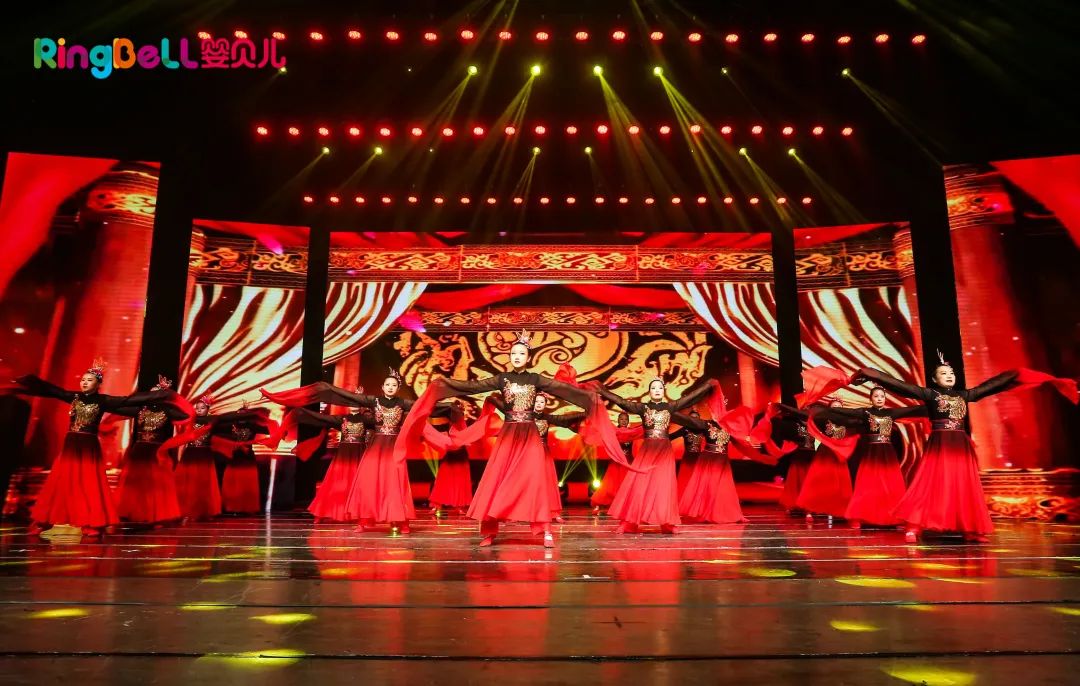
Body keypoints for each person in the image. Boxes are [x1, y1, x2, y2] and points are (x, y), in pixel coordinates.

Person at [395, 330, 627, 548]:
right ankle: (490, 530)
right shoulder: (502, 378)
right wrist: (444, 385)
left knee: (535, 480)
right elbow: (473, 386)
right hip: (509, 434)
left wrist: (590, 398)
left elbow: (562, 389)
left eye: (521, 353)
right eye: (514, 353)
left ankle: (545, 529)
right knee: (498, 478)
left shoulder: (535, 379)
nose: (517, 356)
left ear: (528, 357)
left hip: (529, 434)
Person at [853, 352, 1077, 542]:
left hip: (960, 444)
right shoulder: (930, 394)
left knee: (963, 484)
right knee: (932, 482)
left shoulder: (964, 395)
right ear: (934, 379)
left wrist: (1016, 374)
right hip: (940, 443)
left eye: (951, 373)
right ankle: (915, 526)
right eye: (943, 373)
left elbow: (991, 386)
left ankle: (970, 528)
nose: (949, 375)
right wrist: (869, 373)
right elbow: (900, 386)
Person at [4, 360, 178, 537]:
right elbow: (53, 391)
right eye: (83, 379)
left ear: (98, 384)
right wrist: (32, 380)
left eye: (89, 380)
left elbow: (128, 400)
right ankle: (44, 520)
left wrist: (159, 395)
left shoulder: (103, 400)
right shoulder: (75, 397)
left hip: (88, 445)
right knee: (62, 479)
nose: (85, 382)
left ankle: (92, 522)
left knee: (88, 482)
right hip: (71, 444)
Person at [597, 377, 715, 534]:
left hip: (664, 450)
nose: (657, 390)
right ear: (649, 391)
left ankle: (667, 523)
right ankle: (629, 522)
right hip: (648, 449)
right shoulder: (643, 407)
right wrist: (602, 391)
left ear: (664, 390)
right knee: (639, 484)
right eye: (653, 388)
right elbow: (622, 402)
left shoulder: (670, 407)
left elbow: (689, 398)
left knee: (664, 485)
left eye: (660, 387)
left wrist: (707, 385)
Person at [809, 386, 925, 529]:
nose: (879, 399)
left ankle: (894, 517)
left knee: (891, 484)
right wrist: (828, 411)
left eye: (882, 396)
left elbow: (910, 410)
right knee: (868, 485)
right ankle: (859, 516)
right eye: (876, 396)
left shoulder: (891, 413)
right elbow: (848, 412)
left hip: (887, 453)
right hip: (872, 452)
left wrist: (929, 407)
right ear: (871, 399)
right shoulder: (865, 413)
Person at [114, 375, 188, 525]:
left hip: (156, 450)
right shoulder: (141, 409)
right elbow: (120, 407)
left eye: (156, 393)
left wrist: (171, 400)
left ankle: (156, 514)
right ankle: (133, 511)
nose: (152, 396)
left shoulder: (167, 411)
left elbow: (185, 415)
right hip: (140, 449)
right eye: (150, 393)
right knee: (136, 482)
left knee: (155, 484)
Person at [590, 412, 633, 514]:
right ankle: (598, 504)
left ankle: (625, 506)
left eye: (626, 419)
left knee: (627, 486)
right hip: (616, 462)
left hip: (628, 462)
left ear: (628, 421)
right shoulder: (613, 432)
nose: (624, 421)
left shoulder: (632, 432)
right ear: (618, 420)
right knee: (609, 485)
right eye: (621, 419)